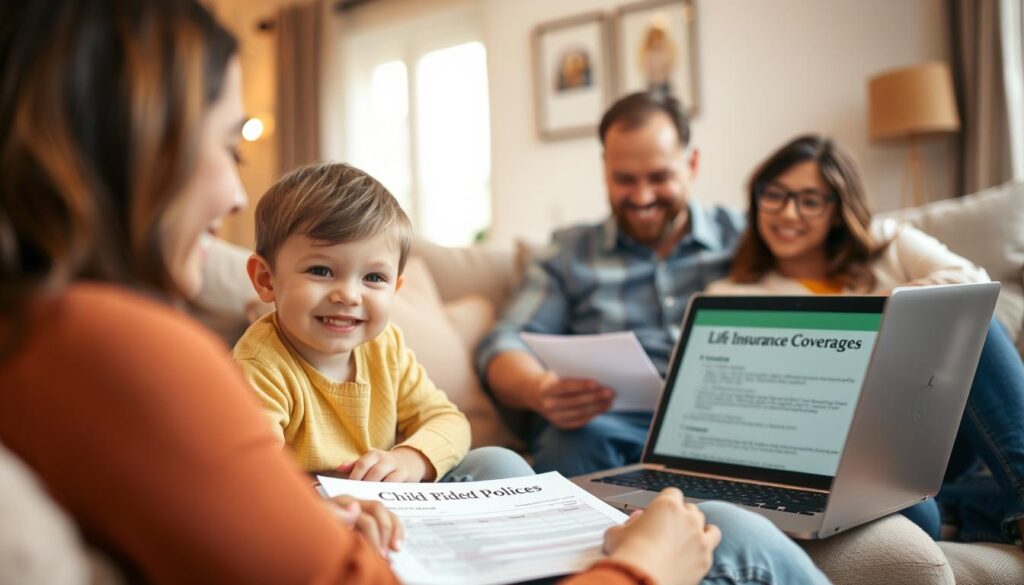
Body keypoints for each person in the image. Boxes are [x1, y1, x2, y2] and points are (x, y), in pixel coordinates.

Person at [0, 2, 830, 584]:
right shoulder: (125, 348)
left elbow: (423, 433)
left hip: (396, 519)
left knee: (504, 462)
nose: (227, 190)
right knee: (737, 537)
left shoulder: (50, 335)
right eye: (226, 144)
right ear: (133, 146)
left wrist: (373, 485)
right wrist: (640, 567)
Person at [707, 134, 1024, 546]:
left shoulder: (888, 242)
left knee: (977, 326)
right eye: (775, 195)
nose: (788, 213)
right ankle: (994, 510)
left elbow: (973, 284)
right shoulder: (731, 296)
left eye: (809, 200)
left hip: (938, 424)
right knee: (919, 514)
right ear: (756, 199)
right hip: (855, 454)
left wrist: (886, 306)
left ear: (837, 210)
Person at [476, 91, 744, 476]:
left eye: (659, 177)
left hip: (723, 425)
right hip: (608, 426)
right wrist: (540, 389)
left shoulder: (745, 239)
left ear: (692, 163)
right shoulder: (569, 253)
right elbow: (504, 341)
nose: (642, 196)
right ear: (604, 170)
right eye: (624, 179)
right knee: (569, 439)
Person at [234, 162, 531, 482]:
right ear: (266, 280)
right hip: (315, 513)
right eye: (321, 270)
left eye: (373, 277)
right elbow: (253, 476)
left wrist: (411, 459)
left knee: (500, 463)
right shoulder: (259, 365)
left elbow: (447, 420)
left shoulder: (385, 345)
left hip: (392, 496)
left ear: (395, 290)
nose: (348, 295)